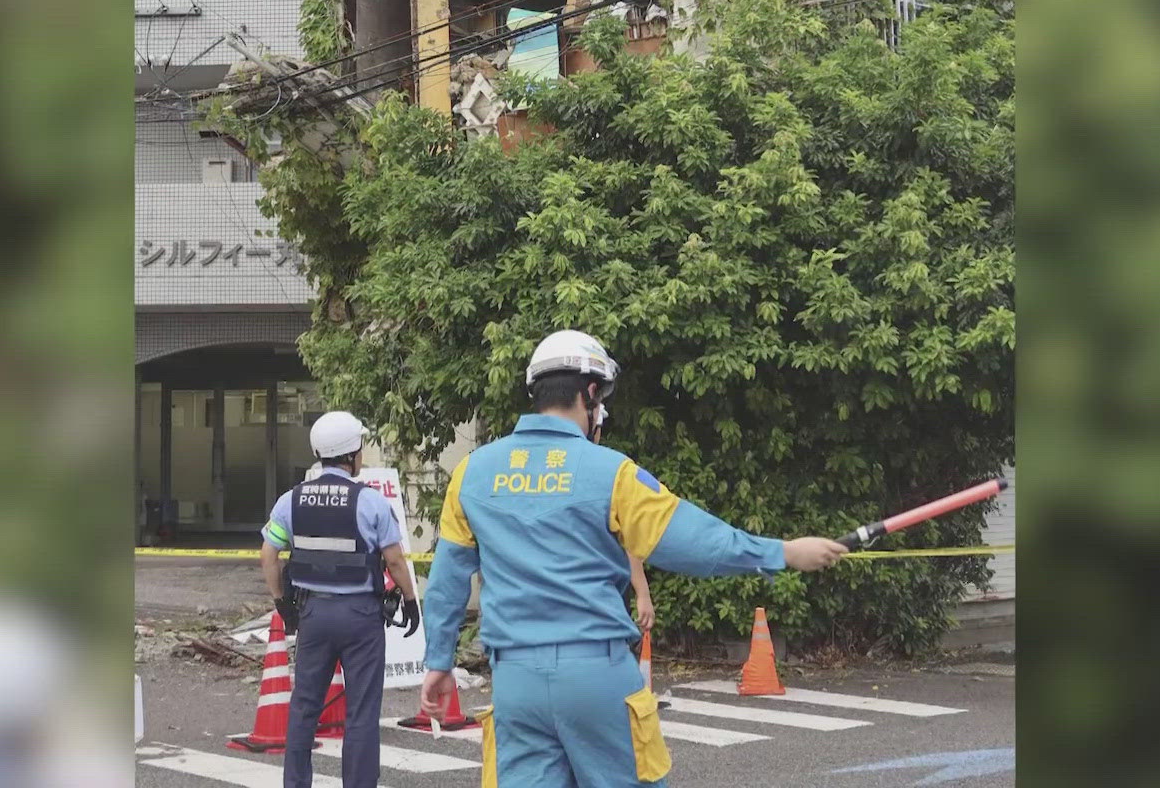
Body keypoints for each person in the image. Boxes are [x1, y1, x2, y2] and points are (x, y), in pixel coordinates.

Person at [418, 330, 850, 786]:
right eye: (600, 399)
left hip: (514, 682)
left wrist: (439, 662)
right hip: (596, 675)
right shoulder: (611, 472)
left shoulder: (472, 472)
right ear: (588, 393)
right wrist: (782, 552)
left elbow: (447, 579)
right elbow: (693, 541)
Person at [261, 411, 420, 788]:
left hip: (314, 614)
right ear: (351, 454)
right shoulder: (370, 502)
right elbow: (395, 560)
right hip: (362, 617)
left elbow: (268, 555)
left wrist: (283, 604)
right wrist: (412, 601)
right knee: (362, 712)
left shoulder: (291, 500)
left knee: (304, 708)